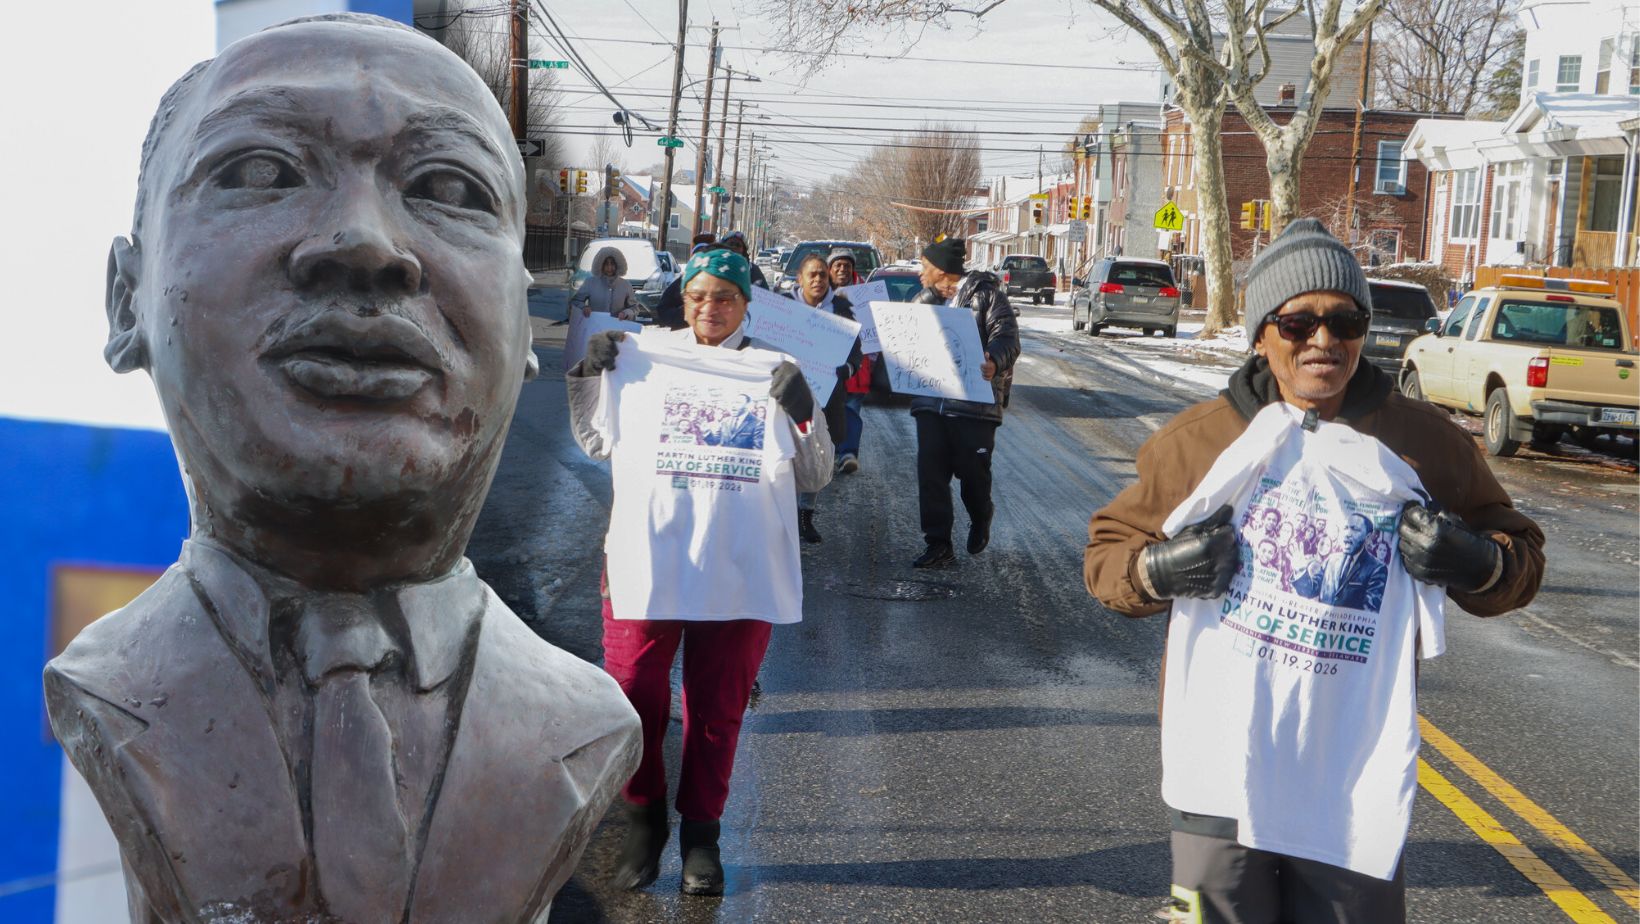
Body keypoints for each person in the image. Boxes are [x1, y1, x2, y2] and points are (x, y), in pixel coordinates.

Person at [43, 15, 642, 922]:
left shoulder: (578, 720)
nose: (364, 243)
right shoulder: (109, 682)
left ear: (524, 321)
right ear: (127, 299)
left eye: (448, 187)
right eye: (260, 172)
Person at [1083, 218, 1545, 924]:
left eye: (1345, 321)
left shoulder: (1424, 444)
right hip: (1220, 768)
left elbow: (1522, 555)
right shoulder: (1199, 442)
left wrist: (1481, 564)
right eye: (1298, 322)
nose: (1324, 340)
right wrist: (1156, 572)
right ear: (1261, 335)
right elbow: (1107, 556)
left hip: (1350, 775)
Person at [567, 248, 833, 897]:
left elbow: (817, 473)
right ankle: (643, 819)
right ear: (682, 299)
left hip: (737, 565)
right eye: (697, 296)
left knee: (716, 705)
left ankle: (701, 837)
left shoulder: (776, 369)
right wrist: (588, 375)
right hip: (648, 558)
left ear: (746, 304)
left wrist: (803, 411)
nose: (709, 308)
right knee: (632, 692)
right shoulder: (644, 359)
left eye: (724, 297)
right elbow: (595, 441)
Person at [909, 236, 1020, 568]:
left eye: (925, 267)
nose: (920, 274)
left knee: (974, 474)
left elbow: (1007, 337)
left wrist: (994, 360)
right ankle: (938, 543)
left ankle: (981, 514)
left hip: (974, 406)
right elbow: (905, 330)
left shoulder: (987, 296)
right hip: (932, 402)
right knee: (931, 475)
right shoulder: (925, 298)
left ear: (943, 270)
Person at [790, 252, 862, 543]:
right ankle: (783, 514)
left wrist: (848, 368)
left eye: (823, 274)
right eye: (813, 274)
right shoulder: (783, 307)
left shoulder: (841, 310)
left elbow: (855, 351)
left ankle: (805, 515)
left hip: (826, 396)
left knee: (817, 452)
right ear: (800, 279)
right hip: (788, 395)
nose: (818, 279)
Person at [654, 233, 718, 330]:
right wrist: (686, 313)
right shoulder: (682, 282)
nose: (702, 261)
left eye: (706, 256)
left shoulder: (721, 282)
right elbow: (662, 310)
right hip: (685, 335)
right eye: (698, 256)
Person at [572, 246, 641, 321]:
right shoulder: (590, 283)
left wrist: (626, 313)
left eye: (612, 264)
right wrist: (583, 307)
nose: (609, 268)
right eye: (606, 264)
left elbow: (634, 307)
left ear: (618, 265)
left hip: (617, 327)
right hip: (595, 326)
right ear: (600, 265)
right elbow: (576, 301)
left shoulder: (626, 285)